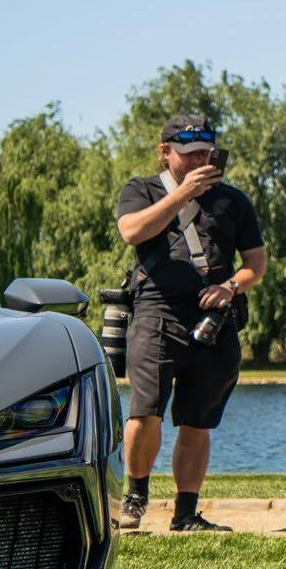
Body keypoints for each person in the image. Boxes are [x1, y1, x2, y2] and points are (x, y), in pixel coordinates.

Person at [114, 113, 268, 532]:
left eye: (205, 152)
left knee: (197, 421)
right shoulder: (141, 190)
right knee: (146, 413)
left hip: (214, 321)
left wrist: (232, 287)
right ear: (165, 153)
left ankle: (186, 512)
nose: (199, 160)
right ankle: (134, 498)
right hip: (156, 313)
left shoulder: (233, 201)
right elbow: (131, 231)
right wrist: (181, 196)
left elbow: (256, 264)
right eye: (188, 153)